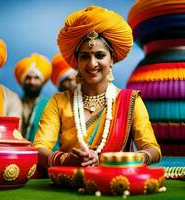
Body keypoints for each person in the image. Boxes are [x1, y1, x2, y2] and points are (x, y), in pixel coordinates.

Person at [33, 5, 161, 169]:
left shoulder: (130, 101)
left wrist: (122, 160)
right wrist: (65, 160)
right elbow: (38, 149)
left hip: (116, 184)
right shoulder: (59, 102)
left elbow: (153, 150)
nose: (92, 63)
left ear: (112, 59)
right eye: (85, 56)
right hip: (68, 184)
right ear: (77, 61)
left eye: (100, 55)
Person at [14, 53, 52, 144]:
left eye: (36, 78)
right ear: (22, 81)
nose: (32, 82)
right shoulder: (14, 103)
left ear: (42, 81)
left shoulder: (50, 106)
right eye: (28, 78)